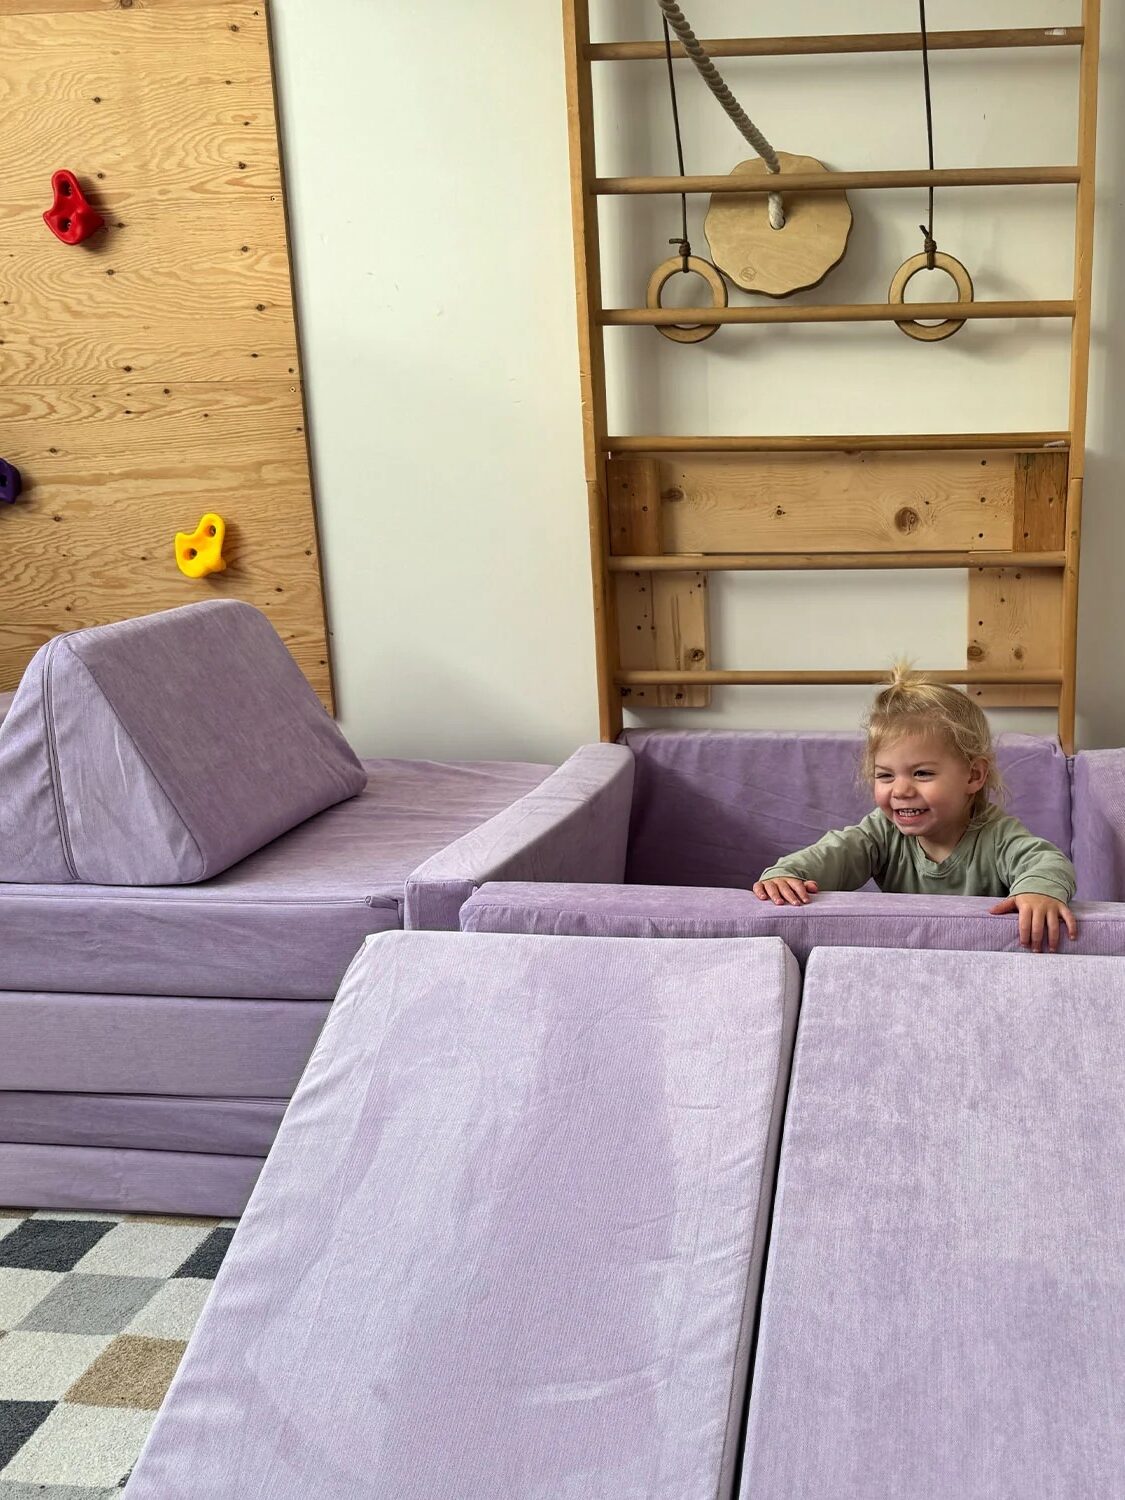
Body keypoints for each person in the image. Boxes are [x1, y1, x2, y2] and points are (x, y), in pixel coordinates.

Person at [752, 665, 1078, 953]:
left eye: (922, 773)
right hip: (907, 957)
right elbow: (835, 853)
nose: (901, 790)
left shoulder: (996, 835)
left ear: (973, 775)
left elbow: (1046, 861)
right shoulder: (882, 831)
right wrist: (787, 874)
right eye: (885, 775)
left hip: (983, 958)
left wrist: (1038, 890)